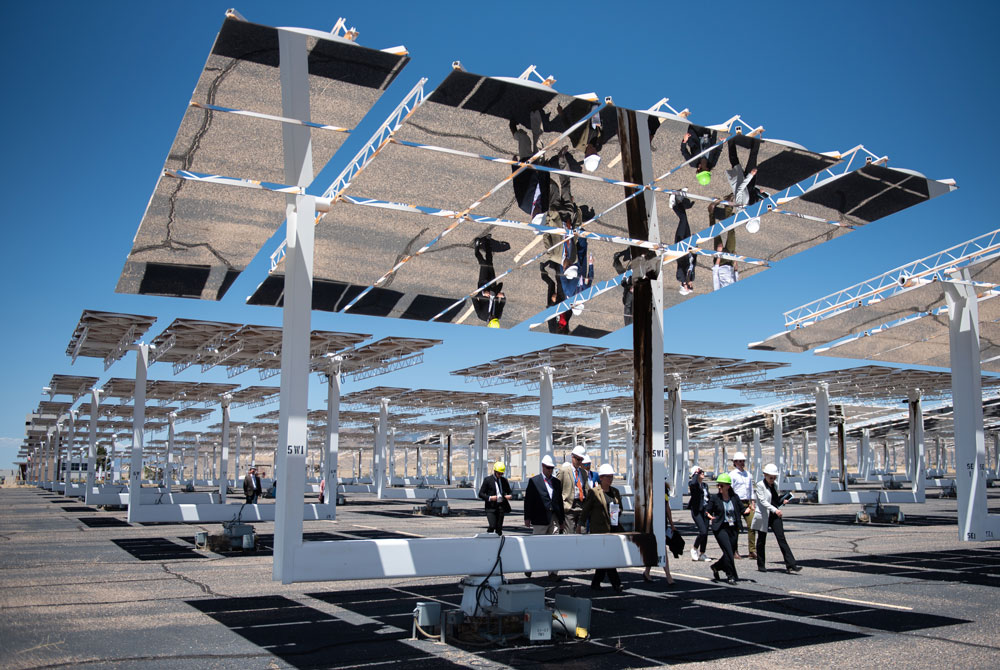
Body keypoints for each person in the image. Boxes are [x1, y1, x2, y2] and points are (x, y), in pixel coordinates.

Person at [581, 463, 624, 592]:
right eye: (608, 477)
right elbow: (586, 510)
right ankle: (616, 583)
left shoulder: (615, 492)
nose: (610, 479)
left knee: (605, 557)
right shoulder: (594, 492)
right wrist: (581, 525)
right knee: (607, 557)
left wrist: (617, 512)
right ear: (601, 478)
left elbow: (620, 507)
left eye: (611, 477)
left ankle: (596, 582)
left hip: (613, 529)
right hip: (600, 530)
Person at [752, 463, 802, 574]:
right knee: (761, 540)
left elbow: (774, 500)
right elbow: (763, 501)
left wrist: (781, 501)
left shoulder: (774, 485)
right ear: (765, 475)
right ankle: (761, 564)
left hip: (774, 516)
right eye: (771, 477)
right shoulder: (760, 485)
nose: (772, 479)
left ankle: (791, 564)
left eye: (774, 478)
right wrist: (775, 509)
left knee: (781, 539)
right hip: (764, 515)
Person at [523, 454, 565, 578]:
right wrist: (527, 517)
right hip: (540, 518)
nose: (550, 470)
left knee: (554, 546)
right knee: (536, 545)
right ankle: (529, 566)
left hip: (554, 518)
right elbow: (528, 501)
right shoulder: (534, 481)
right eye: (547, 468)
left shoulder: (556, 482)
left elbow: (559, 502)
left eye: (551, 468)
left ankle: (553, 572)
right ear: (542, 466)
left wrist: (561, 520)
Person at [704, 472, 745, 584]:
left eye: (722, 485)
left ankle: (716, 567)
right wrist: (709, 516)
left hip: (733, 527)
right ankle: (730, 575)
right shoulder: (715, 498)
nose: (719, 487)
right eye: (718, 485)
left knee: (730, 552)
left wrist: (749, 509)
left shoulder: (734, 498)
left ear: (728, 486)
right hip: (720, 527)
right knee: (727, 551)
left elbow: (742, 510)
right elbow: (707, 510)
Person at [643, 480, 676, 584]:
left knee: (660, 547)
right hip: (652, 522)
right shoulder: (648, 489)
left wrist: (672, 524)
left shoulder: (664, 490)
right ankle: (667, 576)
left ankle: (652, 573)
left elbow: (667, 507)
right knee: (655, 547)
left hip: (662, 522)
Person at [556, 445, 591, 534]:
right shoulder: (564, 471)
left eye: (581, 460)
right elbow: (557, 489)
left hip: (581, 506)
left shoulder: (583, 473)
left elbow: (587, 489)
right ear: (572, 457)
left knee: (582, 532)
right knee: (570, 533)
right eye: (577, 459)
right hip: (569, 507)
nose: (579, 462)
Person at [728, 451, 755, 559]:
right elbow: (730, 490)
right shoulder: (732, 475)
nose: (742, 463)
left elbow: (751, 489)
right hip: (736, 502)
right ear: (735, 462)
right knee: (735, 527)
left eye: (743, 461)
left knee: (752, 524)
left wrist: (752, 503)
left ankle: (752, 550)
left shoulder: (748, 474)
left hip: (747, 502)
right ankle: (734, 550)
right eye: (740, 461)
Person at [671, 190, 697, 295]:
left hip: (680, 245)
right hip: (689, 245)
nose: (691, 284)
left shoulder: (680, 277)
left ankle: (674, 204)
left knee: (683, 220)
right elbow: (694, 261)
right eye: (691, 286)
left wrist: (684, 281)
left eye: (689, 287)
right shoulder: (692, 276)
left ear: (684, 286)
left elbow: (681, 267)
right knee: (685, 221)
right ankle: (680, 202)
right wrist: (695, 246)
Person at [478, 461, 512, 535]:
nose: (500, 475)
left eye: (502, 473)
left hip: (501, 506)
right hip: (490, 507)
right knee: (492, 525)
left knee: (499, 528)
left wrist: (508, 496)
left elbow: (509, 491)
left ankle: (498, 543)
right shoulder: (487, 480)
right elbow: (480, 494)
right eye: (499, 473)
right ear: (495, 471)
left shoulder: (504, 480)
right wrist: (490, 498)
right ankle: (488, 538)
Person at [688, 465, 711, 561]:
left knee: (706, 532)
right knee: (703, 531)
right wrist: (696, 473)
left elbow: (708, 498)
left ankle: (702, 553)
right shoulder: (693, 484)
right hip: (697, 511)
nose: (703, 473)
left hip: (705, 511)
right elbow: (693, 483)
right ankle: (694, 549)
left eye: (702, 471)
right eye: (700, 472)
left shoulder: (705, 485)